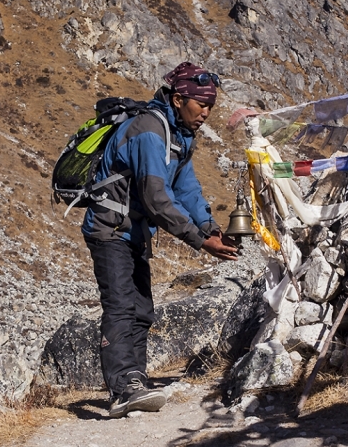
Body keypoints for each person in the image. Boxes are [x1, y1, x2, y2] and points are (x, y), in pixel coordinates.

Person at [81, 62, 239, 418]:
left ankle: (135, 379)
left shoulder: (179, 136)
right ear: (180, 98)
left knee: (141, 309)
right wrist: (200, 243)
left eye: (211, 106)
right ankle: (122, 388)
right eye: (202, 105)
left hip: (134, 232)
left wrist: (210, 227)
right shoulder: (151, 130)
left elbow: (187, 190)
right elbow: (156, 197)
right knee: (121, 305)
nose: (207, 113)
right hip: (110, 229)